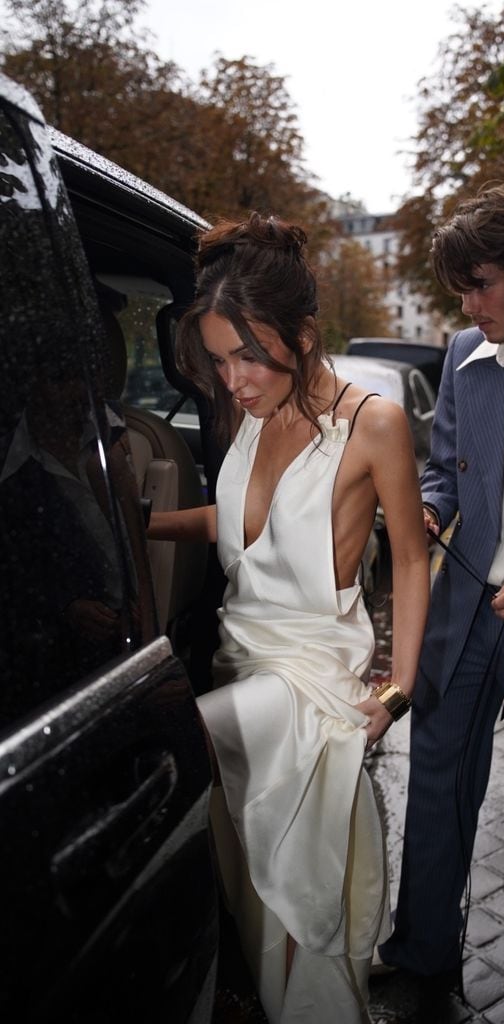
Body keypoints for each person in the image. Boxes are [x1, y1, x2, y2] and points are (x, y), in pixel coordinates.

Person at [148, 212, 430, 1024]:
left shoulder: (372, 423)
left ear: (302, 334)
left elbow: (411, 558)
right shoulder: (251, 416)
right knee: (266, 908)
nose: (233, 379)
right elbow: (239, 522)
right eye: (220, 359)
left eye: (248, 356)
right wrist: (140, 523)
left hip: (307, 687)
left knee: (173, 745)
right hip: (239, 657)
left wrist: (400, 689)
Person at [377, 184, 504, 1009]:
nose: (467, 303)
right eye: (460, 287)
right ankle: (420, 952)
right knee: (435, 779)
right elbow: (441, 469)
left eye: (480, 283)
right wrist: (423, 509)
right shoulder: (460, 356)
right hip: (465, 608)